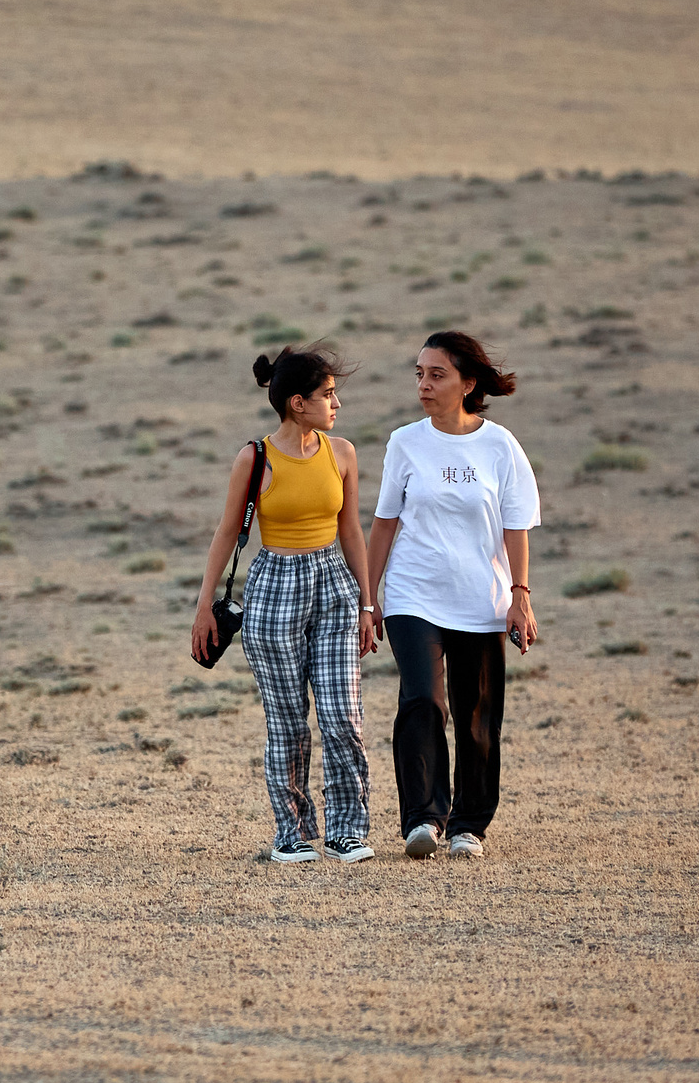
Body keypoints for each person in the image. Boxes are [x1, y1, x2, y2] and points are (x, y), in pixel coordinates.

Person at [190, 344, 377, 864]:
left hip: (334, 585)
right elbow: (226, 531)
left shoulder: (343, 453)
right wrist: (204, 606)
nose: (336, 403)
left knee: (343, 716)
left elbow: (351, 531)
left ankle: (347, 830)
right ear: (298, 402)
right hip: (275, 588)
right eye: (327, 394)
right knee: (288, 721)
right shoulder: (254, 458)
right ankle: (290, 833)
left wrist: (367, 604)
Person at [362, 331, 539, 861]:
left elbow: (515, 528)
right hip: (413, 595)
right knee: (422, 700)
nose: (424, 384)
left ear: (467, 383)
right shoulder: (404, 443)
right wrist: (370, 600)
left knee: (477, 714)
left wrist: (520, 596)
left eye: (437, 374)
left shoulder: (500, 446)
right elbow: (384, 524)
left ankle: (468, 825)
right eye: (419, 373)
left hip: (480, 600)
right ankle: (423, 818)